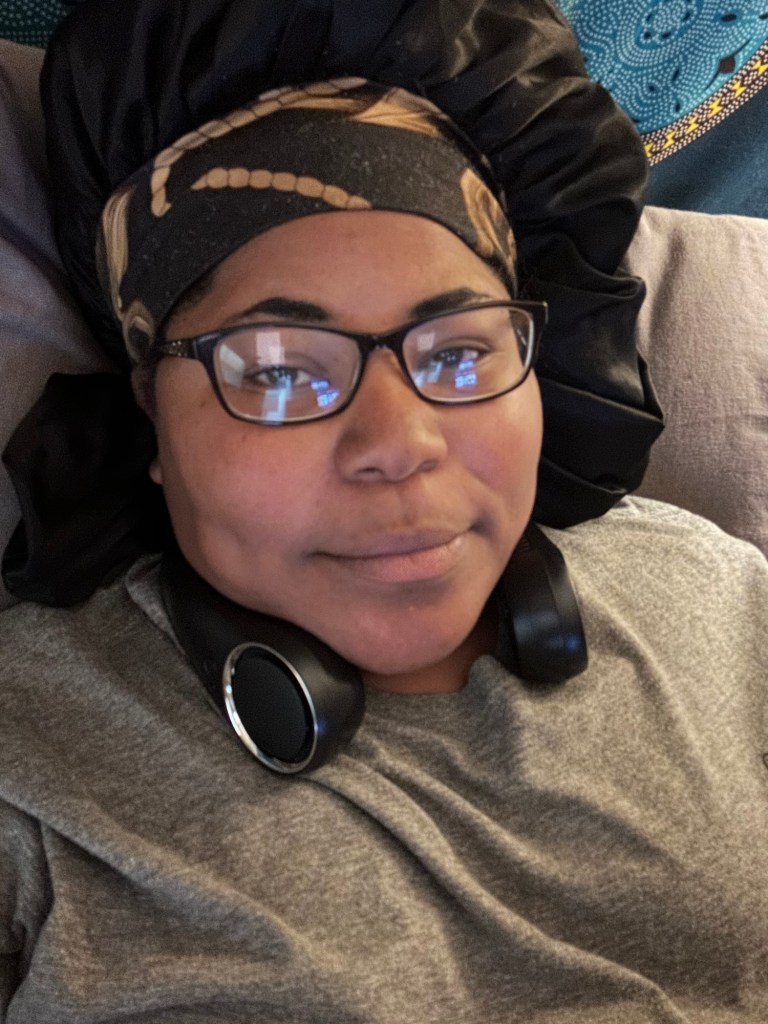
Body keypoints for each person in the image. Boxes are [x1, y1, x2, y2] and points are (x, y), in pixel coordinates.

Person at [1, 2, 767, 1022]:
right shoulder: (32, 743)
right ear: (151, 414)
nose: (401, 442)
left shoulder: (718, 598)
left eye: (459, 351)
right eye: (280, 371)